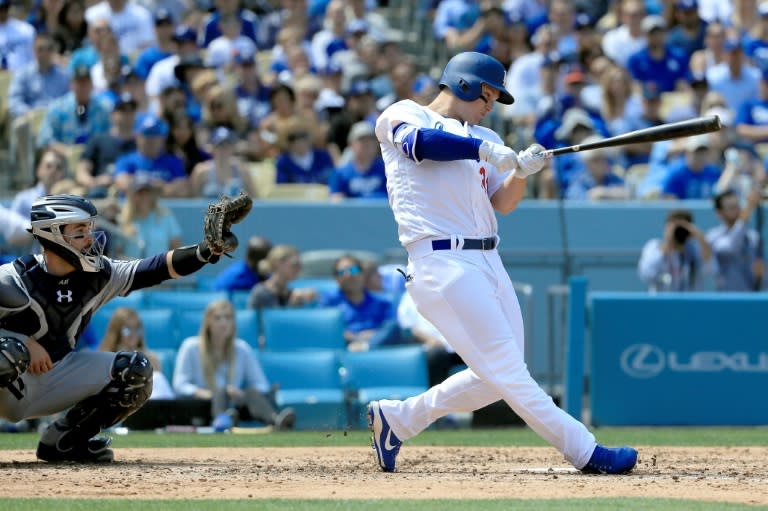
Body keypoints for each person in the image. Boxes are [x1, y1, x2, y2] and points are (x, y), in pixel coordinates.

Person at [367, 51, 637, 475]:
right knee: (510, 373)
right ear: (463, 83)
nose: (490, 105)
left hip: (488, 259)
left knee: (495, 376)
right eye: (488, 95)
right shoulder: (405, 114)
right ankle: (586, 451)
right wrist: (489, 150)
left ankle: (398, 419)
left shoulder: (482, 135)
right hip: (442, 261)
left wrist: (522, 173)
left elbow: (502, 203)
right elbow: (419, 146)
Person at [0, 192, 245, 462]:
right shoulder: (13, 278)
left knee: (135, 371)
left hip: (54, 377)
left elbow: (153, 268)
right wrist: (24, 340)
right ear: (53, 233)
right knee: (10, 352)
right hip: (10, 382)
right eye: (80, 231)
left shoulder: (100, 274)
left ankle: (63, 442)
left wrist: (206, 251)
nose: (90, 238)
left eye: (89, 229)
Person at [172, 299, 296, 431]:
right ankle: (222, 420)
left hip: (235, 404)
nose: (223, 323)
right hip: (203, 403)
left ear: (233, 322)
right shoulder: (190, 347)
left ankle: (276, 420)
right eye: (217, 318)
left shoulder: (242, 348)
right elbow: (180, 385)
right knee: (220, 393)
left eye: (228, 318)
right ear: (208, 322)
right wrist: (207, 393)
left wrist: (239, 394)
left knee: (252, 393)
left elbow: (261, 384)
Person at [319, 254, 399, 352]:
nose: (348, 275)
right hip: (343, 349)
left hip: (375, 349)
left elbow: (391, 327)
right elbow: (323, 328)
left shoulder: (382, 303)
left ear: (362, 274)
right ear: (336, 278)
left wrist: (374, 335)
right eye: (341, 272)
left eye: (353, 270)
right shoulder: (328, 302)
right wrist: (351, 336)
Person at [98, 307, 174, 399]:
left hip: (149, 405)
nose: (133, 334)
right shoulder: (106, 359)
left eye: (137, 328)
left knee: (158, 378)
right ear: (117, 332)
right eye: (127, 329)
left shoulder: (151, 360)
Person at [638, 208, 714, 292]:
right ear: (666, 227)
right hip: (662, 302)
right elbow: (646, 275)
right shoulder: (654, 247)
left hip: (690, 302)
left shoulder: (695, 248)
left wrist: (701, 238)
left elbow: (710, 270)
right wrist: (667, 243)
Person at [706, 189, 765, 291]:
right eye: (732, 208)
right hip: (725, 301)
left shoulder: (753, 237)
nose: (738, 211)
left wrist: (761, 275)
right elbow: (730, 248)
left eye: (738, 206)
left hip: (750, 300)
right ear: (719, 213)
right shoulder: (713, 237)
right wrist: (749, 209)